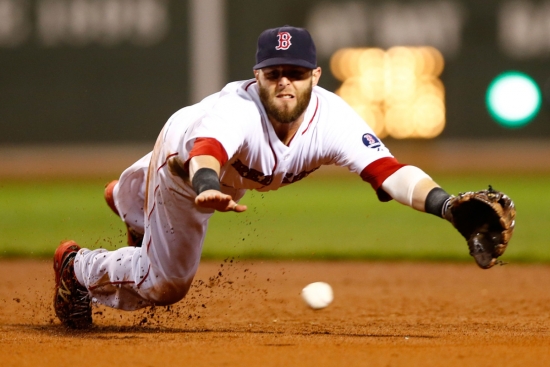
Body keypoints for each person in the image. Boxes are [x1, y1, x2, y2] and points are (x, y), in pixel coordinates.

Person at [52, 26, 465, 328]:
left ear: (316, 77)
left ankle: (133, 202)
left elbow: (389, 172)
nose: (285, 80)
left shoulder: (334, 119)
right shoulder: (238, 111)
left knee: (186, 206)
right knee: (166, 285)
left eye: (297, 72)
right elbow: (207, 153)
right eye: (274, 71)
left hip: (218, 169)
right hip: (185, 167)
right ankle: (78, 266)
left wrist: (446, 205)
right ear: (258, 75)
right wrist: (208, 187)